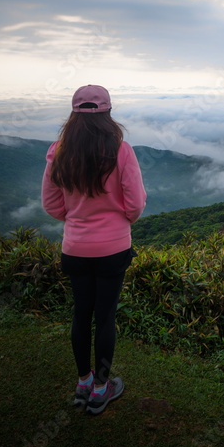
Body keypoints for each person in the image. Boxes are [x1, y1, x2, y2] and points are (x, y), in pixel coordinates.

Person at [41, 84, 147, 415]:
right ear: (108, 114)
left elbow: (51, 203)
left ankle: (83, 382)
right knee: (105, 318)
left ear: (73, 114)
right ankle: (101, 389)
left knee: (80, 314)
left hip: (75, 248)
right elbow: (136, 204)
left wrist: (75, 219)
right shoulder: (121, 151)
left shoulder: (58, 151)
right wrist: (119, 222)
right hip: (113, 250)